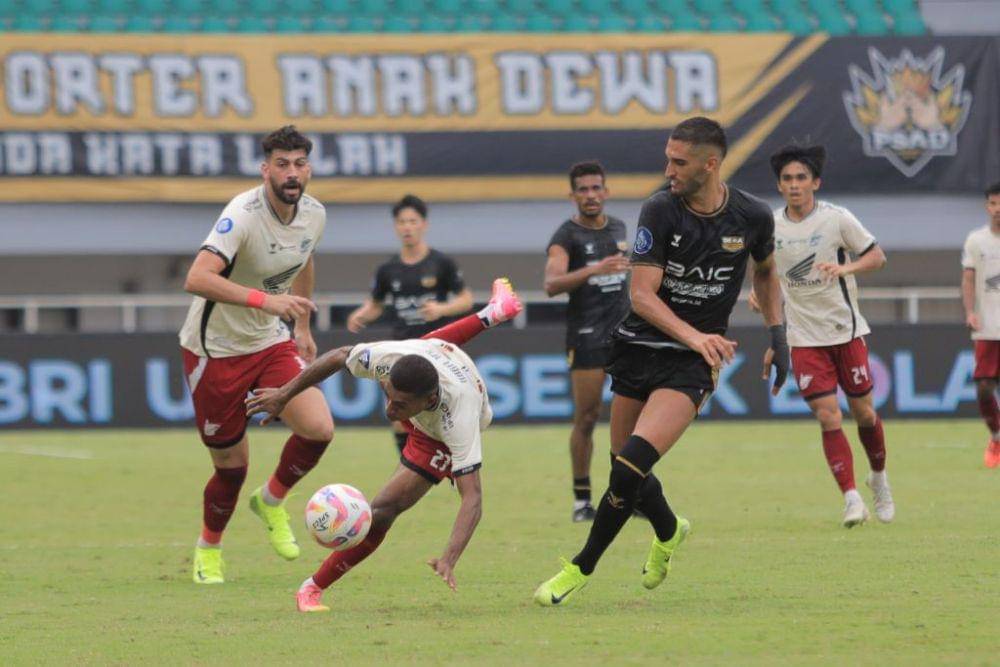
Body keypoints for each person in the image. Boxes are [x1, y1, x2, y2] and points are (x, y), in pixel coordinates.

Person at [533, 117, 789, 606]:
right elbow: (643, 295)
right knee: (622, 470)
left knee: (629, 472)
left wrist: (779, 334)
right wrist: (698, 335)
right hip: (639, 349)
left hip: (690, 365)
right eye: (667, 158)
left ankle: (578, 569)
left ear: (710, 164)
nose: (668, 169)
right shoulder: (660, 209)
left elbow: (766, 274)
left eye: (678, 161)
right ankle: (669, 530)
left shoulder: (753, 216)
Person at [246, 279, 523, 612]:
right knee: (425, 344)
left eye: (400, 405)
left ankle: (311, 588)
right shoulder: (392, 360)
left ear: (428, 399)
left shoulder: (458, 421)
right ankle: (493, 312)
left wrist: (450, 557)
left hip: (439, 430)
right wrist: (283, 394)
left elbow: (473, 497)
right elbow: (337, 357)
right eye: (388, 395)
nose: (389, 410)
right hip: (432, 354)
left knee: (380, 513)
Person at [180, 125, 334, 584]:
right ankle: (209, 548)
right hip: (215, 350)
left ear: (309, 168)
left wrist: (301, 324)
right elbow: (196, 277)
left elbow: (303, 258)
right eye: (282, 164)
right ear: (265, 169)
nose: (292, 173)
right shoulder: (242, 214)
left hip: (269, 341)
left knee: (319, 429)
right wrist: (268, 302)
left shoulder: (314, 215)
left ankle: (270, 501)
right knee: (231, 468)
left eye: (300, 163)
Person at [750, 144, 893, 527]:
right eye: (787, 179)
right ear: (779, 185)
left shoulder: (837, 219)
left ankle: (878, 477)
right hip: (802, 339)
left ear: (815, 182)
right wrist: (772, 332)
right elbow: (768, 280)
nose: (794, 186)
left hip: (845, 332)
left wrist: (848, 270)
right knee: (828, 417)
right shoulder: (770, 227)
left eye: (801, 178)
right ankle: (851, 498)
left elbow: (877, 256)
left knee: (864, 413)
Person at [347, 194, 474, 454]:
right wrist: (360, 315)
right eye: (402, 222)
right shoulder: (388, 270)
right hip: (402, 350)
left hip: (438, 348)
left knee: (443, 411)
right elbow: (376, 305)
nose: (407, 227)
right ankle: (409, 467)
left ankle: (451, 460)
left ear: (423, 225)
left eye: (413, 221)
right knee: (400, 414)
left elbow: (466, 299)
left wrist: (442, 309)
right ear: (396, 226)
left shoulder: (441, 263)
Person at [544, 161, 630, 522]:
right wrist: (595, 269)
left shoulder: (621, 228)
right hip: (587, 337)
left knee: (630, 419)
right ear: (573, 195)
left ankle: (628, 495)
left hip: (625, 337)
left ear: (606, 192)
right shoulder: (566, 237)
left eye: (597, 188)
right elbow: (551, 284)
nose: (591, 195)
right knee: (588, 417)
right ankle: (582, 500)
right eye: (584, 190)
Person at [961, 181, 1000, 468]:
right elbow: (968, 278)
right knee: (984, 387)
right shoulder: (976, 240)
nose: (998, 210)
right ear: (987, 207)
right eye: (993, 204)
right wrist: (970, 311)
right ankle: (997, 437)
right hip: (987, 325)